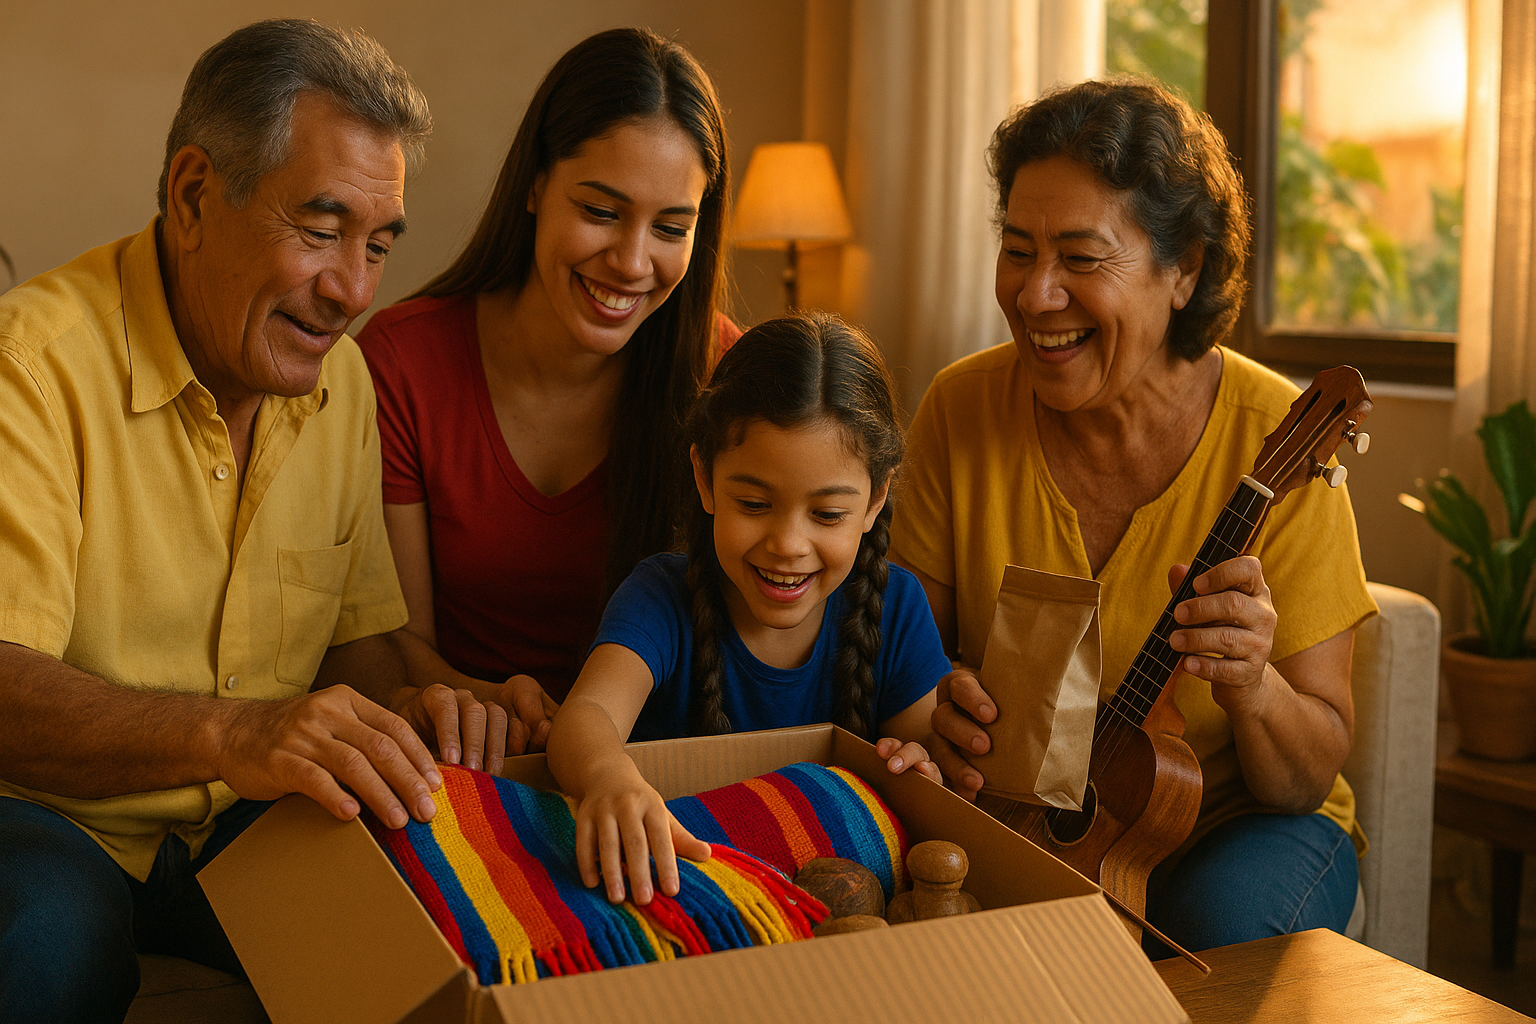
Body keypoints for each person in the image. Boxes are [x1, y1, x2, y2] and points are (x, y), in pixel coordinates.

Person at [0, 20, 495, 1023]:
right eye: (319, 229)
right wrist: (234, 731)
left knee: (435, 933)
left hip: (240, 823)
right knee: (49, 939)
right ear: (194, 195)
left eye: (378, 244)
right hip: (43, 816)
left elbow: (357, 646)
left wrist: (448, 697)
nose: (353, 290)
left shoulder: (341, 383)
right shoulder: (32, 364)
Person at [890, 79, 1378, 955]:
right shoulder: (959, 409)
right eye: (1017, 249)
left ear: (1184, 267)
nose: (1036, 296)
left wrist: (1253, 685)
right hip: (1032, 812)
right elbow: (901, 659)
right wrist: (936, 710)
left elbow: (1310, 772)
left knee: (1212, 931)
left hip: (1242, 824)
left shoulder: (1282, 443)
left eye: (1081, 258)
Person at [356, 28, 736, 754]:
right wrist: (487, 703)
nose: (631, 262)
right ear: (535, 185)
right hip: (470, 756)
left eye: (670, 227)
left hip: (658, 765)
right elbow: (396, 640)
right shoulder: (403, 363)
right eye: (599, 211)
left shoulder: (730, 377)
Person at [546, 313, 951, 906]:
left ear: (877, 498)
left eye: (828, 515)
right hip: (683, 891)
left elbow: (928, 773)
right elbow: (585, 718)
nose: (788, 543)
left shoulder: (898, 609)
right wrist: (610, 779)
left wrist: (925, 766)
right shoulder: (660, 597)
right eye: (755, 503)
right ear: (705, 479)